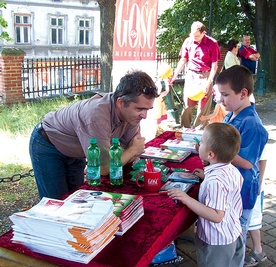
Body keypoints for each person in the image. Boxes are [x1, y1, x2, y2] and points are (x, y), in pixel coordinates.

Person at [29, 70, 159, 199]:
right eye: (140, 109)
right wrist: (131, 150)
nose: (144, 116)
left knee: (77, 201)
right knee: (56, 205)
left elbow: (128, 158)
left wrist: (129, 153)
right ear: (121, 103)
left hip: (76, 150)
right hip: (48, 145)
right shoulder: (97, 115)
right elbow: (105, 168)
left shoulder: (131, 115)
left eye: (147, 109)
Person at [168, 122, 244, 267]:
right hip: (233, 232)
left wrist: (187, 199)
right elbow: (228, 189)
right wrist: (205, 177)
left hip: (217, 241)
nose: (199, 144)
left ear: (210, 154)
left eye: (202, 142)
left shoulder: (215, 181)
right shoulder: (231, 169)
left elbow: (216, 216)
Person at [216, 65, 268, 263]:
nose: (221, 100)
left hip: (242, 189)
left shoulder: (252, 124)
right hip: (231, 186)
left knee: (236, 238)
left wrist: (216, 150)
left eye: (225, 94)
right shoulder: (232, 114)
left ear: (243, 93)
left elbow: (247, 162)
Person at [169, 21, 220, 129]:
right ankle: (185, 128)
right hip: (191, 74)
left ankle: (199, 130)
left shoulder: (212, 43)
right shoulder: (188, 41)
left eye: (196, 35)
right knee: (187, 104)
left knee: (204, 106)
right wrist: (174, 76)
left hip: (205, 75)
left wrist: (209, 82)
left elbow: (214, 66)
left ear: (203, 33)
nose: (194, 37)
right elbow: (183, 60)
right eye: (192, 34)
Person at [244, 153, 267, 267]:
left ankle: (258, 251)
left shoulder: (257, 135)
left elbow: (263, 160)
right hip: (249, 184)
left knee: (253, 222)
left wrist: (259, 183)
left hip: (253, 185)